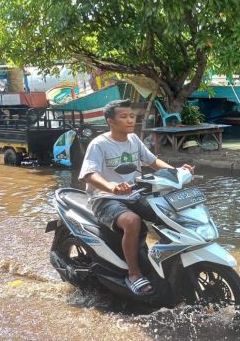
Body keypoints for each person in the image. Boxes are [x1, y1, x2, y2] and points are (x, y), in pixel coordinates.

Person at [79, 99, 194, 296]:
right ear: (111, 121)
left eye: (132, 116)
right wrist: (111, 186)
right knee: (133, 221)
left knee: (171, 213)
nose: (130, 120)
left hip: (134, 193)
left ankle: (170, 261)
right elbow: (89, 174)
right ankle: (133, 274)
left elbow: (153, 161)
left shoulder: (133, 140)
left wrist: (176, 171)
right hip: (105, 198)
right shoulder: (98, 144)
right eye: (124, 117)